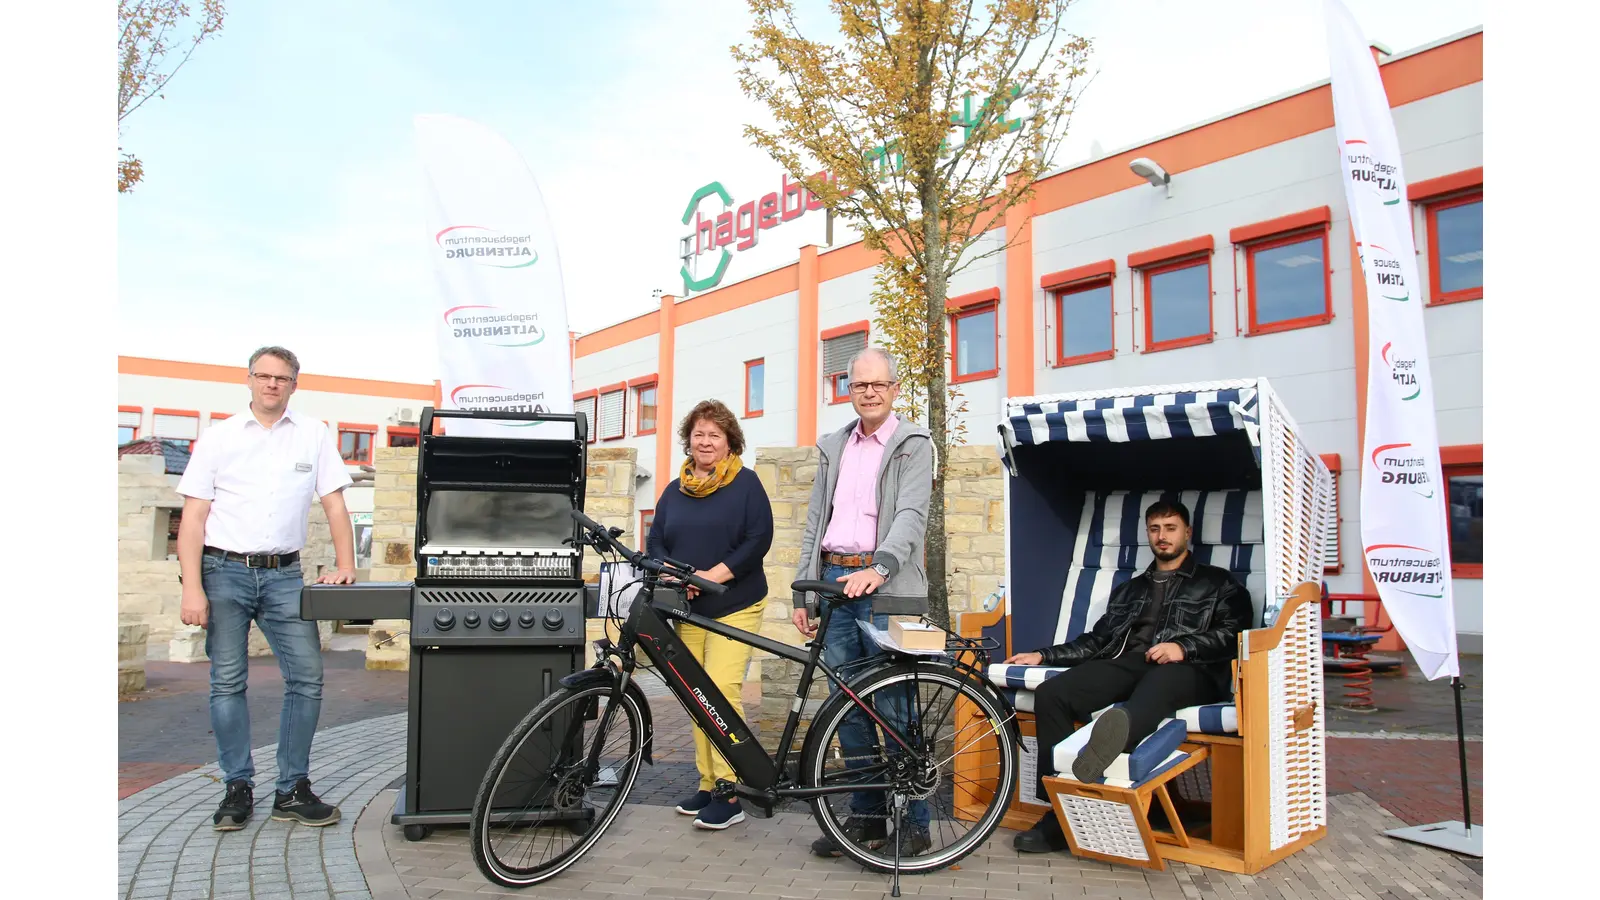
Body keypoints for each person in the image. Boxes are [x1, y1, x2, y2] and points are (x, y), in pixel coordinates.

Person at [175, 346, 358, 832]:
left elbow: (335, 504)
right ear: (250, 380)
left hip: (284, 576)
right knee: (228, 682)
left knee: (308, 678)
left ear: (294, 384)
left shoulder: (314, 435)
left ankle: (292, 789)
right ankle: (237, 786)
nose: (272, 384)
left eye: (282, 378)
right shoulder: (219, 438)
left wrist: (345, 564)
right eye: (264, 376)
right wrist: (192, 588)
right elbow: (193, 519)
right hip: (224, 572)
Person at [1004, 499, 1253, 854]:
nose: (1162, 537)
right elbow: (1097, 641)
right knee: (1052, 694)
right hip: (1132, 664)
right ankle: (1059, 810)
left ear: (1187, 533)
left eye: (1170, 528)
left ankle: (1107, 746)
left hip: (1190, 670)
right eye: (1155, 529)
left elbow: (1236, 631)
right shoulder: (1131, 590)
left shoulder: (1217, 583)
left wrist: (1184, 647)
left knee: (1158, 683)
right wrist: (1044, 655)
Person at [791, 347, 934, 858]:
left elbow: (913, 516)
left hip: (886, 586)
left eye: (877, 384)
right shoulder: (834, 445)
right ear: (848, 390)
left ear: (894, 389)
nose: (868, 392)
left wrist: (880, 568)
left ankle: (916, 825)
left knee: (895, 709)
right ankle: (869, 820)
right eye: (858, 385)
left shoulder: (913, 443)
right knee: (845, 712)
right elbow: (814, 523)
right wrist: (802, 588)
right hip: (834, 582)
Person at [648, 399, 774, 831]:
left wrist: (711, 576)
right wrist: (671, 574)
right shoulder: (674, 488)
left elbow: (758, 540)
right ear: (690, 439)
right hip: (687, 606)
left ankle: (730, 790)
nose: (705, 442)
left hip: (734, 602)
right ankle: (707, 784)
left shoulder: (746, 484)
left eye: (714, 435)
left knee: (719, 691)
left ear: (729, 441)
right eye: (699, 434)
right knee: (694, 695)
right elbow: (657, 540)